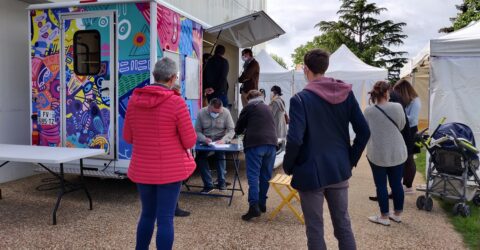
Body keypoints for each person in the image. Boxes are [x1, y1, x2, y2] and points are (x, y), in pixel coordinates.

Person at [283, 49, 370, 250]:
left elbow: (295, 139)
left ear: (305, 69)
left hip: (310, 171)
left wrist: (288, 166)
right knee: (343, 225)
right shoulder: (346, 93)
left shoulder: (300, 99)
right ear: (325, 67)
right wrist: (349, 159)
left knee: (315, 228)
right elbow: (364, 131)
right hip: (338, 168)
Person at [123, 57, 197, 250]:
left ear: (155, 75)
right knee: (165, 219)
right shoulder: (176, 102)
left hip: (142, 169)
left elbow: (128, 137)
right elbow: (189, 141)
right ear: (172, 78)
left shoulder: (133, 101)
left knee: (147, 214)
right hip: (169, 172)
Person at [364, 80, 407, 226]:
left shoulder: (368, 111)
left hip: (377, 153)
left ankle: (384, 216)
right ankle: (397, 214)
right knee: (397, 184)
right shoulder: (397, 107)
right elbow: (401, 125)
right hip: (397, 151)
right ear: (386, 92)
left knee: (381, 186)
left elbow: (366, 130)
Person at [235, 90, 277, 221]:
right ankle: (262, 204)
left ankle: (253, 207)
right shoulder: (267, 107)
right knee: (265, 176)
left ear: (248, 99)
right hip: (272, 144)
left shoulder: (248, 107)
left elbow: (238, 129)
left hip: (255, 144)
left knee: (253, 177)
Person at [195, 98, 235, 193]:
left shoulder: (226, 112)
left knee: (220, 156)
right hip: (206, 141)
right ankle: (208, 184)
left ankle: (221, 182)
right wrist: (204, 139)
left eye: (218, 112)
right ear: (209, 107)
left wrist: (224, 140)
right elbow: (197, 131)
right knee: (200, 158)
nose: (216, 114)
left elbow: (231, 130)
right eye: (214, 112)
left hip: (220, 140)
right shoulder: (201, 113)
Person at [394, 79, 421, 194]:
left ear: (404, 91)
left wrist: (399, 115)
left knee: (409, 158)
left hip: (411, 131)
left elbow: (413, 119)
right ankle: (403, 183)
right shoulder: (404, 101)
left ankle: (408, 185)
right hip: (404, 129)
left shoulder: (415, 101)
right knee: (402, 158)